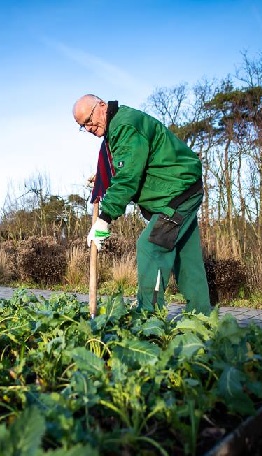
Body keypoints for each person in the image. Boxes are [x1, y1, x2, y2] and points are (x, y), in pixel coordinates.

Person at [73, 94, 211, 315]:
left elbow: (128, 175)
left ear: (101, 106)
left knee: (151, 246)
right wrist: (101, 175)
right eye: (82, 126)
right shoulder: (117, 126)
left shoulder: (125, 126)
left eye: (88, 120)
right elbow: (131, 161)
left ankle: (149, 319)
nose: (88, 128)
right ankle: (203, 317)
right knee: (188, 257)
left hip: (177, 191)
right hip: (183, 188)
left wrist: (104, 219)